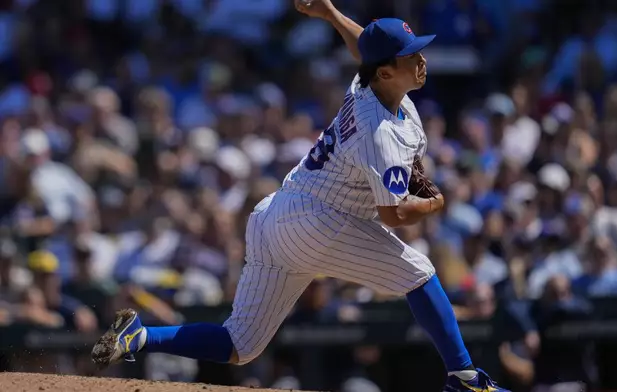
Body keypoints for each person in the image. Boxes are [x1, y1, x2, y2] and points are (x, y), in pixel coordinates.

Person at [91, 1, 508, 390]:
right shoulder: (380, 133)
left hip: (277, 214)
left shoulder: (367, 86)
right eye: (411, 56)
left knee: (241, 345)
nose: (421, 60)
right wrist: (435, 203)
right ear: (385, 72)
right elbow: (393, 214)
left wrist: (330, 13)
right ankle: (465, 377)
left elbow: (364, 44)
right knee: (419, 272)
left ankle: (141, 335)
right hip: (320, 219)